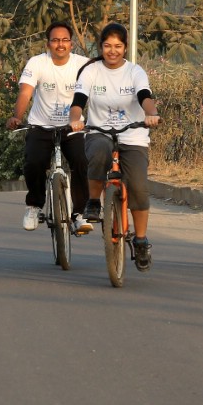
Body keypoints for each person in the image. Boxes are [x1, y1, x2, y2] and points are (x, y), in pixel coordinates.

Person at [68, 22, 160, 271]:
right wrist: (75, 119)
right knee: (99, 152)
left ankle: (140, 240)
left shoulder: (135, 72)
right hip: (99, 131)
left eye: (118, 46)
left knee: (139, 187)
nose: (112, 51)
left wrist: (151, 114)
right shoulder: (90, 71)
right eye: (107, 46)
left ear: (126, 48)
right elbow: (78, 101)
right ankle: (94, 202)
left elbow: (145, 98)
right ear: (100, 47)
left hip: (133, 135)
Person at [7, 21, 93, 235]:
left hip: (73, 128)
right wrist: (17, 116)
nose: (60, 44)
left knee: (82, 162)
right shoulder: (37, 63)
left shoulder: (84, 65)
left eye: (64, 40)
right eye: (55, 40)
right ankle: (34, 206)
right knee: (34, 162)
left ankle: (79, 214)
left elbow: (100, 92)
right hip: (41, 126)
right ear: (48, 44)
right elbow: (26, 93)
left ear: (71, 44)